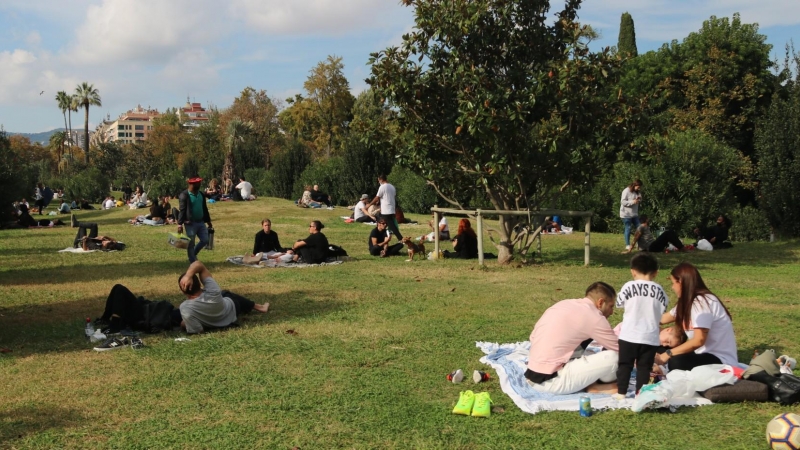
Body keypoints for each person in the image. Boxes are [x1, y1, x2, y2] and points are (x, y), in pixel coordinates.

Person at [525, 282, 620, 395]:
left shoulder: (563, 304)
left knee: (590, 349)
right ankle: (598, 386)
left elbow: (533, 337)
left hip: (532, 374)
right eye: (610, 306)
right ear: (600, 302)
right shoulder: (594, 317)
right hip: (552, 382)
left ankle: (593, 384)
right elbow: (621, 348)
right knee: (613, 357)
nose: (612, 312)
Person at [655, 262, 737, 371]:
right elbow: (663, 318)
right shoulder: (686, 302)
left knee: (676, 362)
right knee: (651, 349)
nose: (672, 287)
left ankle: (663, 369)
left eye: (674, 283)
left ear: (681, 282)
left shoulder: (702, 302)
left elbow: (699, 340)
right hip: (700, 354)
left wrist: (668, 354)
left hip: (719, 359)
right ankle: (662, 367)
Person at [614, 253, 669, 398]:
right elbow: (664, 308)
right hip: (650, 337)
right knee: (644, 367)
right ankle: (640, 395)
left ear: (633, 271)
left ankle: (621, 393)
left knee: (625, 365)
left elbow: (619, 303)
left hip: (628, 335)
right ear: (656, 273)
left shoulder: (628, 286)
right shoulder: (660, 290)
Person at [178, 261, 269, 334]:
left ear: (183, 291)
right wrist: (188, 275)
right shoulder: (213, 291)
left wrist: (185, 323)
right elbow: (199, 265)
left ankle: (259, 307)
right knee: (226, 294)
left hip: (215, 318)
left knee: (225, 294)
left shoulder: (185, 308)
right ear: (199, 284)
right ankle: (259, 307)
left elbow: (197, 330)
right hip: (231, 310)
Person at [178, 177, 213, 263]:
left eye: (199, 183)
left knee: (205, 240)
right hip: (190, 223)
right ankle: (192, 261)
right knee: (191, 243)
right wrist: (179, 224)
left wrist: (208, 221)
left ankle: (194, 253)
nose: (199, 185)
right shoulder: (184, 195)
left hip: (200, 222)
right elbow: (182, 210)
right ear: (191, 184)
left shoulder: (201, 194)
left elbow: (205, 209)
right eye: (197, 183)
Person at [368, 175, 402, 240]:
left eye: (379, 181)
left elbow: (377, 197)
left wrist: (369, 204)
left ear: (381, 180)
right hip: (391, 208)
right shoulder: (392, 187)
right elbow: (392, 198)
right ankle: (385, 236)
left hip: (386, 210)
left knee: (389, 225)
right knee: (385, 223)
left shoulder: (382, 187)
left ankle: (400, 238)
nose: (379, 182)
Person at [620, 179, 642, 251]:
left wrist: (639, 199)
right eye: (638, 187)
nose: (639, 188)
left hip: (634, 214)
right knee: (628, 228)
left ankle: (639, 244)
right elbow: (623, 202)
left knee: (639, 228)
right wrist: (632, 202)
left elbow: (640, 199)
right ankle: (627, 245)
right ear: (634, 185)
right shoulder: (626, 191)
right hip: (626, 214)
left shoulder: (637, 192)